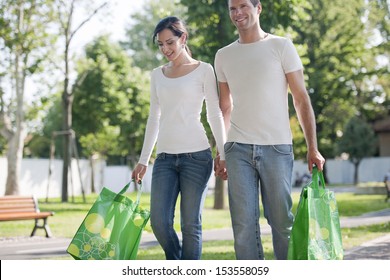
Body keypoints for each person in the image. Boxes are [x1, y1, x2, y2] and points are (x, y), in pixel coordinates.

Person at [214, 0, 325, 260]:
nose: (238, 13)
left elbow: (300, 99)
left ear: (258, 8)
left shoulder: (281, 46)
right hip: (237, 149)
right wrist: (220, 151)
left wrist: (313, 147)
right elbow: (224, 108)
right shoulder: (223, 55)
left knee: (281, 224)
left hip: (277, 148)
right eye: (232, 8)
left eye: (243, 6)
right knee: (242, 227)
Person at [131, 16, 226, 260]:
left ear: (183, 38)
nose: (166, 49)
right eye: (160, 44)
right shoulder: (156, 75)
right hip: (164, 159)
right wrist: (144, 160)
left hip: (197, 156)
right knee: (159, 222)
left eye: (170, 42)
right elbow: (154, 117)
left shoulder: (204, 70)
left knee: (190, 225)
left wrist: (223, 153)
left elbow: (214, 113)